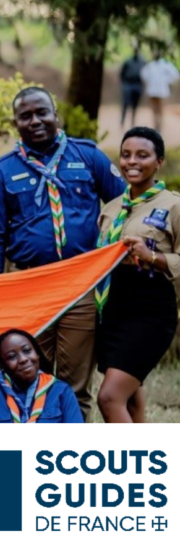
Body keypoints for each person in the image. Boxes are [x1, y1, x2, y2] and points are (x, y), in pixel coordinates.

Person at [0, 86, 125, 419]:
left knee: (75, 385)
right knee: (28, 379)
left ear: (55, 115)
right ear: (15, 123)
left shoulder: (88, 156)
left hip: (81, 283)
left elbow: (123, 205)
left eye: (42, 112)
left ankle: (72, 446)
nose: (35, 121)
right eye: (25, 116)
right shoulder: (3, 172)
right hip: (29, 285)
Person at [95, 127, 180, 424]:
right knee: (130, 398)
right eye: (126, 155)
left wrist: (151, 256)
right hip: (113, 307)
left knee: (109, 397)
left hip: (150, 309)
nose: (132, 161)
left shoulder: (173, 205)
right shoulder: (111, 208)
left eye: (142, 155)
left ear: (159, 162)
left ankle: (132, 452)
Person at [0, 329, 83, 423]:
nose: (23, 359)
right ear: (2, 365)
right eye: (12, 356)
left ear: (37, 354)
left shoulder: (61, 390)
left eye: (27, 351)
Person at [140, 50, 179, 131]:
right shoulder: (150, 65)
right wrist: (149, 82)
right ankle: (156, 124)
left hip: (162, 91)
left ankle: (159, 125)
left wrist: (167, 81)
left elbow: (175, 75)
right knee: (154, 108)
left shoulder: (166, 65)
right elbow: (143, 75)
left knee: (160, 109)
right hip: (152, 91)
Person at [120, 50, 145, 128]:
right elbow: (122, 73)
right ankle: (122, 121)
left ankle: (132, 121)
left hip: (138, 84)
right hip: (128, 83)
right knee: (125, 103)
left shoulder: (143, 62)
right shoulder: (128, 61)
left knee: (135, 104)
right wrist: (124, 83)